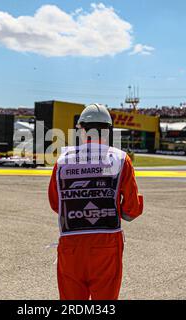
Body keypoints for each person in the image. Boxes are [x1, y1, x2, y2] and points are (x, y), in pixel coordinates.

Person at [48, 104, 144, 300]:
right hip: (107, 242)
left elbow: (55, 203)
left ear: (81, 130)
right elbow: (132, 210)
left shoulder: (62, 160)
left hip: (71, 241)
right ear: (108, 130)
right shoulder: (120, 159)